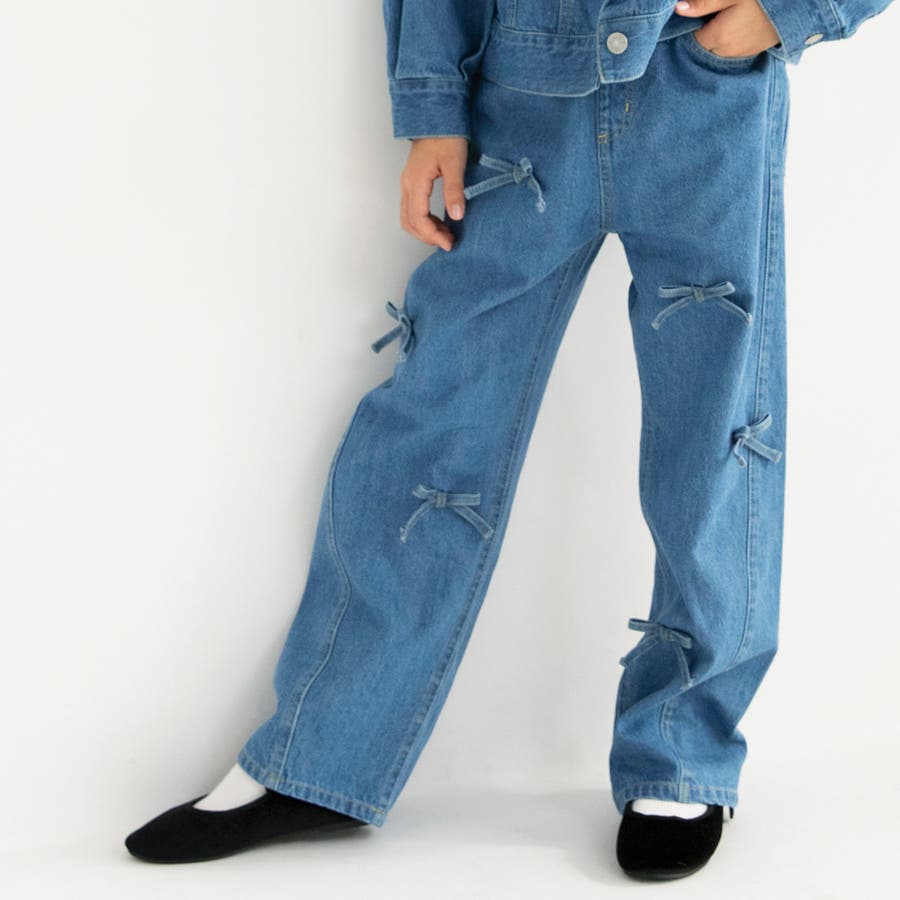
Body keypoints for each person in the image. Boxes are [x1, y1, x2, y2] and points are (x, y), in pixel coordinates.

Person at [124, 0, 894, 879]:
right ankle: (321, 757)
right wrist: (431, 106)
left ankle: (682, 754)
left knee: (717, 435)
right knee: (432, 420)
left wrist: (789, 10)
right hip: (520, 104)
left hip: (706, 99)